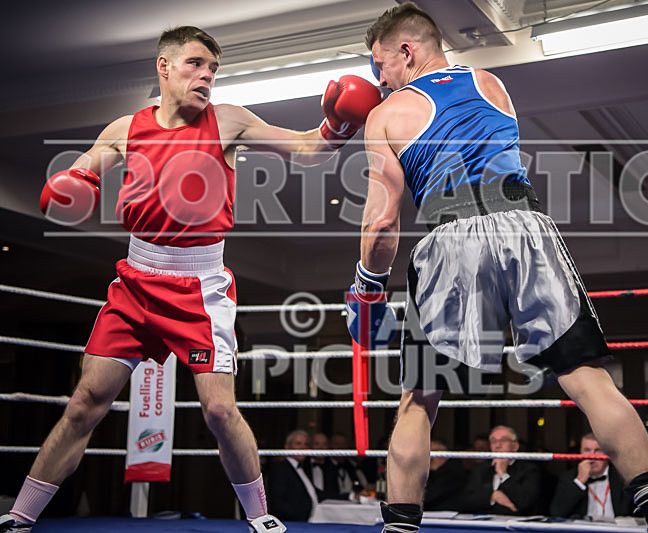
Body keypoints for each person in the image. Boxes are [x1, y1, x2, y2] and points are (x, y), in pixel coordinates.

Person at [0, 25, 380, 533]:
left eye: (213, 70)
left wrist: (336, 124)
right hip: (135, 281)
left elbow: (308, 150)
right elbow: (86, 170)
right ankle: (20, 515)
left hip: (199, 285)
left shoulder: (228, 121)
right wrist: (76, 184)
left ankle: (261, 516)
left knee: (220, 411)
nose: (207, 76)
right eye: (196, 64)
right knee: (85, 403)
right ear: (165, 67)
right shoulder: (126, 127)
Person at [344, 4, 648, 532]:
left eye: (379, 64)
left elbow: (383, 223)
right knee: (588, 379)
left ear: (405, 50)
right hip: (526, 229)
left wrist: (367, 286)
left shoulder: (386, 115)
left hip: (450, 239)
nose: (379, 79)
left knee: (419, 398)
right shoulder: (491, 82)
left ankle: (400, 527)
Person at [461, 426, 544, 515]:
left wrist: (503, 474)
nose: (498, 445)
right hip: (484, 523)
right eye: (494, 441)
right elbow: (465, 501)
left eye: (503, 440)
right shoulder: (481, 469)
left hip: (515, 524)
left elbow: (525, 502)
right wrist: (492, 497)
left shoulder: (529, 469)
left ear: (515, 446)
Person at [550, 432, 633, 520]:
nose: (592, 456)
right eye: (587, 450)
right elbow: (556, 512)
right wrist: (579, 482)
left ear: (607, 453)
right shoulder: (569, 477)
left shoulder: (622, 476)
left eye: (598, 450)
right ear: (580, 452)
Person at [267, 430, 321, 523]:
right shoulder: (280, 468)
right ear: (287, 447)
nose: (303, 448)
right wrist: (302, 518)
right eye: (298, 444)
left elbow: (314, 493)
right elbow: (278, 503)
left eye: (306, 444)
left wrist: (348, 496)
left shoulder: (304, 468)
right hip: (292, 524)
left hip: (309, 522)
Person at [423, 440, 466, 511]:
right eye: (428, 452)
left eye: (435, 452)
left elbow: (429, 497)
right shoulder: (430, 472)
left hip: (447, 515)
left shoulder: (452, 472)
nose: (431, 457)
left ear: (445, 455)